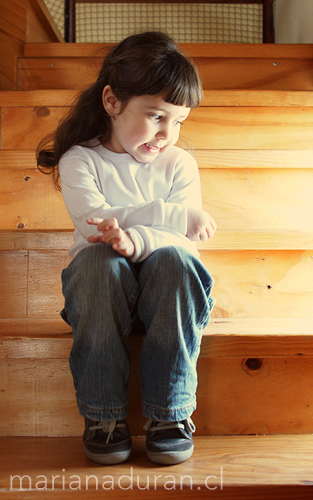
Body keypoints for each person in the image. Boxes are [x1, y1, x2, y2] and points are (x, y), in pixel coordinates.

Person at [37, 31, 217, 466]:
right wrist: (169, 215)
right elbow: (94, 221)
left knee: (175, 260)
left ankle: (169, 415)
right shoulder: (81, 159)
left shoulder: (179, 164)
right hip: (99, 295)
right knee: (100, 261)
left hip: (169, 295)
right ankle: (103, 417)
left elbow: (182, 241)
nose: (165, 134)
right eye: (155, 116)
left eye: (177, 122)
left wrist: (135, 239)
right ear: (112, 102)